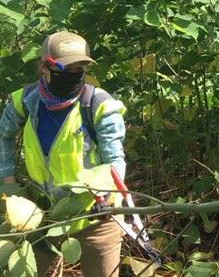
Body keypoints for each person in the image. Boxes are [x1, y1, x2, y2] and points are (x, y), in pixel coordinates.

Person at [0, 31, 127, 276]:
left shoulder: (99, 105)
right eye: (65, 69)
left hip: (95, 217)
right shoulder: (24, 102)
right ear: (44, 68)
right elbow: (3, 135)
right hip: (41, 217)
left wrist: (110, 199)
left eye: (80, 68)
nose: (73, 75)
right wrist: (8, 182)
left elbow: (115, 159)